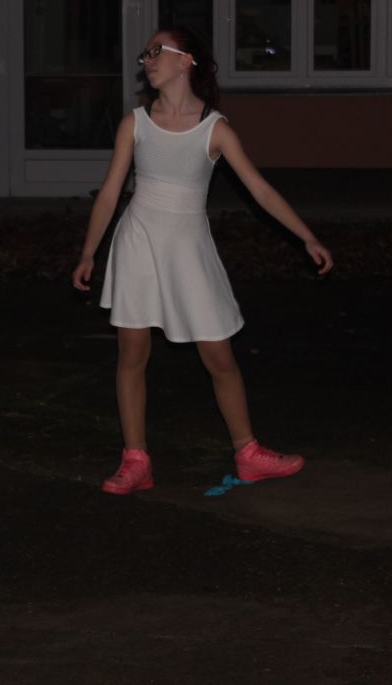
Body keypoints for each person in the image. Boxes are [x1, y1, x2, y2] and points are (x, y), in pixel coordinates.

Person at [72, 27, 333, 495]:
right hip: (138, 244)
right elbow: (110, 192)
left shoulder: (216, 129)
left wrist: (306, 236)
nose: (147, 60)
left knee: (219, 355)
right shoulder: (135, 123)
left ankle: (248, 454)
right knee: (132, 353)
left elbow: (260, 190)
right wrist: (90, 251)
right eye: (145, 54)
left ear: (186, 60)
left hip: (189, 250)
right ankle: (135, 460)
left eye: (157, 51)